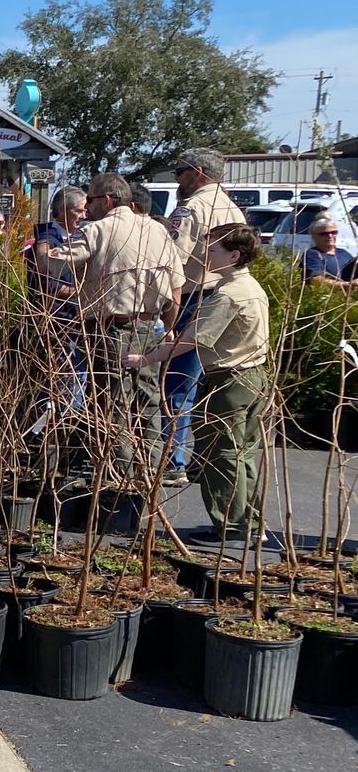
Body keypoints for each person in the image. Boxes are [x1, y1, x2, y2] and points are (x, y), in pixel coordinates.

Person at [36, 172, 183, 486]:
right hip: (149, 327)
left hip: (111, 329)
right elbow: (175, 290)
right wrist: (168, 329)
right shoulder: (159, 231)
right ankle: (149, 473)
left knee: (112, 403)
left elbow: (53, 265)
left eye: (89, 199)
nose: (86, 207)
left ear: (106, 199)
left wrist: (42, 244)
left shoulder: (99, 230)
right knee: (148, 402)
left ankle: (118, 478)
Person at [127, 223, 270, 544]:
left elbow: (192, 341)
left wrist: (145, 359)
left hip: (230, 381)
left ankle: (230, 526)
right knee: (243, 452)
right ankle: (250, 523)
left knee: (221, 454)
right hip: (252, 376)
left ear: (234, 255)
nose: (206, 255)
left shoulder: (229, 295)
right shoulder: (250, 287)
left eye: (214, 249)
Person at [162, 149, 246, 483]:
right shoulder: (232, 207)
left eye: (179, 172)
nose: (178, 180)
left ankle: (174, 459)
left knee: (178, 382)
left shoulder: (192, 208)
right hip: (228, 298)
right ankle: (203, 457)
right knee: (212, 383)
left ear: (197, 172)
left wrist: (168, 314)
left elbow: (172, 260)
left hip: (194, 297)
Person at [302, 219, 355, 285]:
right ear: (313, 236)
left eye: (333, 232)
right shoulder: (313, 254)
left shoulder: (343, 253)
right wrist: (347, 285)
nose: (330, 236)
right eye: (324, 234)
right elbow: (315, 280)